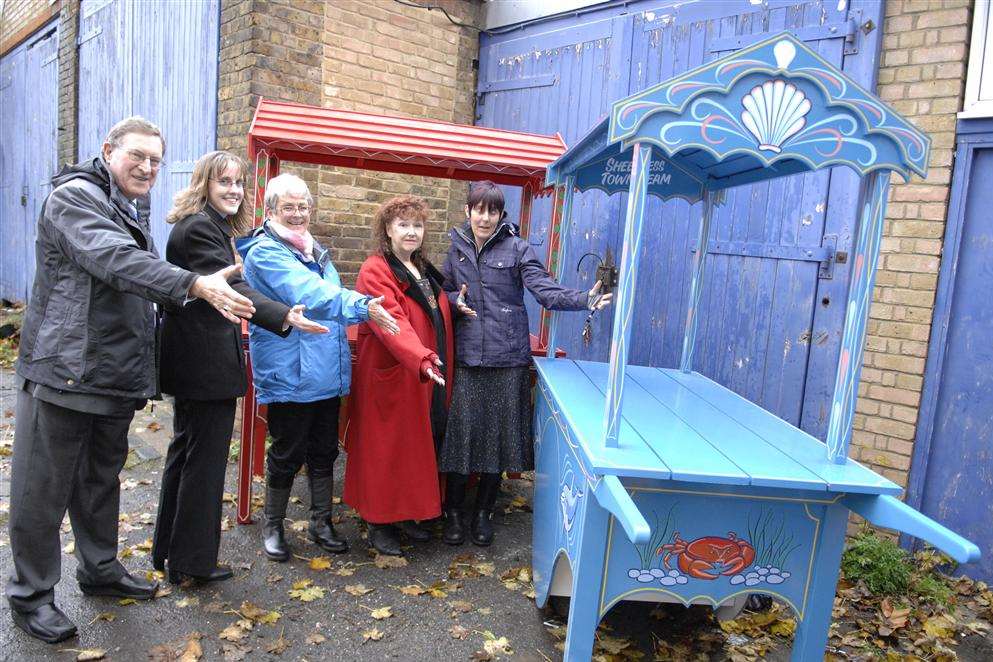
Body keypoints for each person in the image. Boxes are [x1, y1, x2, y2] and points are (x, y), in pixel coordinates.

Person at [7, 117, 255, 644]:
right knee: (42, 490)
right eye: (136, 156)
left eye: (155, 160)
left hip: (109, 376)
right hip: (63, 370)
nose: (146, 167)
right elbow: (114, 260)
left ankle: (99, 570)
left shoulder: (126, 207)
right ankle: (31, 597)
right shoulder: (76, 198)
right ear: (108, 151)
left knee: (99, 482)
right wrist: (194, 283)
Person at [152, 151, 328, 585]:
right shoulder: (199, 229)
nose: (233, 190)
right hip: (203, 366)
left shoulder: (208, 227)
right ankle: (191, 564)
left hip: (195, 365)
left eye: (238, 182)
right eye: (223, 182)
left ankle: (169, 553)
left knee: (185, 454)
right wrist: (284, 315)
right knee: (203, 464)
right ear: (204, 185)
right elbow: (234, 286)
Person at [439, 180, 612, 547]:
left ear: (501, 215)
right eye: (478, 209)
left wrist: (585, 299)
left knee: (499, 440)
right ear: (467, 211)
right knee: (462, 437)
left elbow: (544, 290)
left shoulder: (518, 249)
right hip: (469, 357)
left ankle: (483, 513)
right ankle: (454, 512)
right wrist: (455, 300)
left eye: (492, 210)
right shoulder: (455, 250)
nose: (484, 217)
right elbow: (443, 291)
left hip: (507, 359)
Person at [238, 173, 400, 562]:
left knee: (325, 450)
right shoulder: (265, 252)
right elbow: (309, 293)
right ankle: (273, 524)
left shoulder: (316, 250)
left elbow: (325, 301)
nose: (297, 214)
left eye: (303, 206)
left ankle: (321, 521)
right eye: (289, 207)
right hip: (291, 373)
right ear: (272, 210)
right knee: (287, 451)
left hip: (325, 373)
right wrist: (362, 306)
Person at [343, 195, 455, 556]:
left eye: (417, 225)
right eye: (403, 224)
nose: (411, 231)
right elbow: (392, 323)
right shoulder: (376, 269)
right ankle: (379, 523)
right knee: (385, 451)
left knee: (411, 450)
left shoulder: (421, 268)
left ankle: (405, 515)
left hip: (421, 376)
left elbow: (430, 314)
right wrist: (421, 358)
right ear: (388, 230)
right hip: (393, 375)